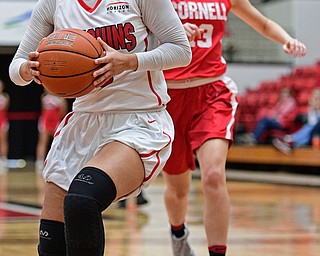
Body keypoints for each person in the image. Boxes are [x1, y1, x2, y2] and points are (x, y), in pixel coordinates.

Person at [9, 0, 192, 256]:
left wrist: (129, 61)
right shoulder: (53, 3)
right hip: (84, 123)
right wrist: (29, 69)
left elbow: (182, 50)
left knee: (82, 199)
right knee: (52, 243)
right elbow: (15, 69)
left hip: (136, 120)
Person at [162, 1, 307, 256]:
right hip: (169, 96)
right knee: (177, 189)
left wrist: (285, 40)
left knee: (214, 175)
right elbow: (138, 33)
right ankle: (178, 234)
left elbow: (262, 22)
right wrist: (169, 34)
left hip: (212, 92)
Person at [35, 90, 68, 204]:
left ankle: (58, 162)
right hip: (45, 120)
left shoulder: (61, 98)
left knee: (57, 143)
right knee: (42, 142)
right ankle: (39, 163)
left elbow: (63, 111)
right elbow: (42, 110)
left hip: (56, 120)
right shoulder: (44, 97)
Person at [272, 88, 320, 154]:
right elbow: (312, 121)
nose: (316, 101)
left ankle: (290, 141)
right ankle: (291, 142)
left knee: (310, 127)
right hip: (312, 135)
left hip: (316, 133)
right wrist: (314, 109)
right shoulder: (312, 110)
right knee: (308, 126)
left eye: (318, 99)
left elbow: (314, 123)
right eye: (315, 99)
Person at [0, 80, 9, 175]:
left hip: (2, 121)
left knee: (3, 141)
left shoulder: (5, 97)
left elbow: (5, 108)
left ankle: (3, 161)